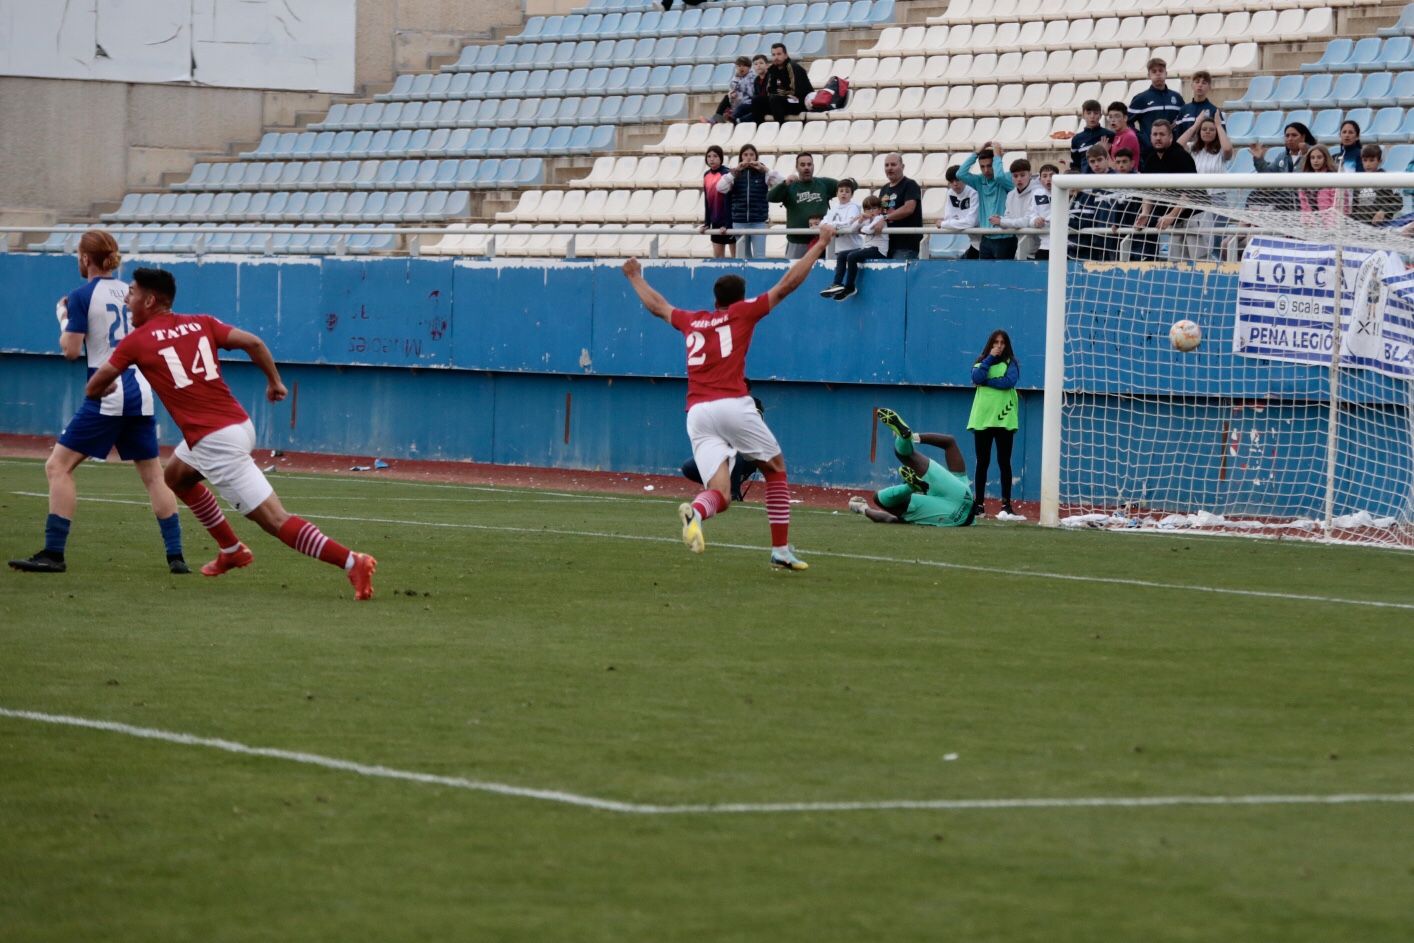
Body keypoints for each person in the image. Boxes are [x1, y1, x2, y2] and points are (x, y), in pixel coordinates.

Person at [83, 268, 378, 599]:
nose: (128, 298)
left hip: (214, 441)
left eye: (133, 293)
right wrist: (275, 382)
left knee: (275, 521)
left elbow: (94, 386)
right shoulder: (202, 322)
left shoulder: (135, 341)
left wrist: (104, 388)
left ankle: (353, 562)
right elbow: (254, 342)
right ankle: (230, 548)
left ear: (150, 300)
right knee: (176, 477)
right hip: (238, 424)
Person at [620, 228, 836, 570]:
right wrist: (821, 244)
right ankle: (780, 549)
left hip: (697, 413)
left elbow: (658, 307)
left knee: (720, 493)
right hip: (732, 404)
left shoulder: (693, 321)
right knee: (775, 468)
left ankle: (696, 511)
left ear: (714, 298)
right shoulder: (742, 313)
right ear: (740, 298)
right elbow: (787, 285)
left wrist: (634, 276)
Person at [9, 230, 188, 575]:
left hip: (108, 388)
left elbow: (71, 350)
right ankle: (176, 557)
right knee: (153, 476)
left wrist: (62, 316)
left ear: (85, 258)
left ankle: (54, 553)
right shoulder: (132, 293)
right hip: (142, 389)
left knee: (57, 467)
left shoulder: (80, 296)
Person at [847, 409, 976, 528]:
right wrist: (864, 509)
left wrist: (862, 508)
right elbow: (950, 442)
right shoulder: (955, 482)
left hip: (958, 506)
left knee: (881, 496)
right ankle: (906, 442)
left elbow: (888, 519)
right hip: (959, 508)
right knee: (881, 496)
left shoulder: (957, 482)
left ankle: (910, 485)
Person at [967, 330, 1024, 521]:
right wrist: (990, 358)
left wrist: (987, 382)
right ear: (990, 344)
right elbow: (976, 377)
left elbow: (1009, 382)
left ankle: (1006, 505)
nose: (999, 346)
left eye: (1002, 342)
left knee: (1004, 462)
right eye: (996, 342)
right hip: (983, 418)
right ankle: (979, 505)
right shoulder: (982, 361)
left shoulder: (1012, 363)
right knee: (982, 462)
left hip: (1003, 418)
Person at [681, 391, 765, 501]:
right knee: (689, 467)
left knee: (734, 456)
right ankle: (717, 487)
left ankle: (733, 494)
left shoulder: (753, 407)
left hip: (745, 456)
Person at [1132, 119, 1197, 259]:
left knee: (1201, 264)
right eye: (1154, 134)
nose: (1158, 138)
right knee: (1175, 266)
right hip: (1174, 220)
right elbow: (1148, 190)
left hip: (1195, 217)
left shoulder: (1181, 156)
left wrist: (1171, 215)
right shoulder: (1150, 158)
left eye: (1162, 134)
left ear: (1170, 137)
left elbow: (1189, 193)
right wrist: (1145, 212)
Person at [1177, 115, 1235, 260]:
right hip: (1197, 200)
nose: (1207, 132)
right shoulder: (1192, 150)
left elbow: (1228, 148)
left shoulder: (1220, 151)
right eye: (1204, 129)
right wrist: (1196, 124)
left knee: (1218, 237)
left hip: (1218, 198)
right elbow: (1177, 145)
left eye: (1211, 129)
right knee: (1202, 239)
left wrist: (1219, 125)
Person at [716, 143, 782, 260]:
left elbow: (781, 183)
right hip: (739, 222)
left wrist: (765, 169)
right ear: (741, 157)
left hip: (758, 222)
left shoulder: (763, 173)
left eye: (752, 154)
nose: (748, 157)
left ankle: (759, 278)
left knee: (759, 257)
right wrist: (733, 173)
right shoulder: (734, 174)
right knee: (743, 257)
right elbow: (720, 188)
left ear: (756, 157)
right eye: (745, 154)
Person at [768, 152, 838, 259]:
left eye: (809, 164)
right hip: (797, 242)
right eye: (803, 165)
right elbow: (770, 197)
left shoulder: (824, 184)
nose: (806, 167)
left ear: (813, 166)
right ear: (796, 167)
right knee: (795, 274)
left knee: (822, 274)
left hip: (821, 240)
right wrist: (785, 183)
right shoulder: (790, 186)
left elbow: (850, 185)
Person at [957, 142, 1016, 259]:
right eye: (982, 167)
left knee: (1001, 276)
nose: (986, 170)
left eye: (989, 165)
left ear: (996, 164)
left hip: (1005, 237)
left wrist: (997, 156)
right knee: (986, 276)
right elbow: (960, 173)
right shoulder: (979, 181)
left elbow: (999, 176)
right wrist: (977, 152)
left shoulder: (1007, 177)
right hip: (985, 238)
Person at [821, 195, 886, 300]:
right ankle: (837, 284)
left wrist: (862, 227)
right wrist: (860, 220)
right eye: (868, 209)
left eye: (874, 208)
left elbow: (868, 230)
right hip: (867, 248)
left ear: (880, 210)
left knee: (852, 256)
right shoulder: (866, 219)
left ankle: (850, 286)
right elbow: (852, 229)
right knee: (842, 255)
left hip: (878, 249)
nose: (871, 211)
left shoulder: (879, 218)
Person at [1128, 57, 1184, 161]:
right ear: (1149, 75)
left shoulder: (1177, 98)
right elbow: (1127, 122)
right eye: (1154, 71)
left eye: (1161, 71)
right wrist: (1143, 138)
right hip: (1150, 152)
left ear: (1166, 73)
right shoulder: (1141, 99)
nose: (1158, 74)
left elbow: (1182, 121)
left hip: (1174, 151)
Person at [875, 153, 923, 260]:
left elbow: (908, 209)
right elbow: (878, 212)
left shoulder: (910, 184)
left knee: (899, 276)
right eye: (886, 165)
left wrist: (885, 218)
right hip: (885, 244)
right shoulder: (884, 189)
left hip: (906, 245)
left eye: (893, 164)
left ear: (902, 166)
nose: (889, 168)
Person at [995, 158, 1040, 260]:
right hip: (1020, 248)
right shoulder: (1011, 195)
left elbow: (1027, 220)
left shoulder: (1038, 192)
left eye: (1022, 175)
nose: (1019, 179)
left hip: (1040, 249)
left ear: (1030, 174)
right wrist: (1001, 219)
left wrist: (1002, 222)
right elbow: (1009, 217)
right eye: (1015, 176)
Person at [759, 42, 813, 125]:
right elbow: (769, 90)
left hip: (800, 102)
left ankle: (781, 129)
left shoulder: (792, 66)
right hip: (784, 101)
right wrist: (782, 94)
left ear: (786, 55)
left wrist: (779, 93)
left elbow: (795, 91)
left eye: (779, 54)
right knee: (757, 101)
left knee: (775, 99)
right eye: (773, 55)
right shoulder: (773, 69)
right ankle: (760, 129)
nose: (776, 57)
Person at [1351, 144, 1403, 225]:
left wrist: (1383, 211)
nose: (1368, 164)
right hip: (1360, 227)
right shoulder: (1359, 181)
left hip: (1381, 226)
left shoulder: (1386, 179)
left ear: (1379, 161)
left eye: (1372, 160)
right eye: (1365, 160)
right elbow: (1355, 208)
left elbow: (1398, 202)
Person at [937, 165, 981, 258]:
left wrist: (944, 224)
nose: (955, 184)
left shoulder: (974, 192)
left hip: (987, 241)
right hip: (975, 242)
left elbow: (971, 222)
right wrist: (952, 222)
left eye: (957, 180)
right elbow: (949, 217)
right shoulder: (950, 193)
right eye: (951, 181)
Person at [700, 145, 735, 258]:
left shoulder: (726, 173)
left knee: (736, 258)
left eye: (715, 156)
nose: (711, 159)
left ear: (721, 158)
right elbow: (707, 201)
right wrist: (707, 223)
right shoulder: (706, 175)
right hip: (715, 223)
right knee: (718, 260)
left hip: (729, 223)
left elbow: (729, 200)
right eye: (709, 156)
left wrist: (727, 224)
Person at [704, 57, 755, 125]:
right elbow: (731, 89)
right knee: (726, 97)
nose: (741, 68)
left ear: (749, 67)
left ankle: (731, 117)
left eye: (744, 66)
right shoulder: (736, 77)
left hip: (748, 103)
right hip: (738, 101)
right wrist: (731, 94)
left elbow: (751, 93)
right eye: (739, 66)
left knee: (741, 106)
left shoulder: (752, 77)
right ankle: (716, 119)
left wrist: (741, 85)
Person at [819, 177, 863, 255]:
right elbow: (823, 222)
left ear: (852, 195)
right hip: (836, 249)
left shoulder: (853, 207)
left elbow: (849, 223)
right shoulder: (834, 208)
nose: (844, 193)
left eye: (847, 191)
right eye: (841, 191)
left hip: (853, 249)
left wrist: (832, 225)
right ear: (837, 193)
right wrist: (829, 225)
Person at [1298, 144, 1343, 219]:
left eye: (1319, 157)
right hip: (1311, 224)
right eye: (1312, 158)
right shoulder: (1304, 180)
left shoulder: (1333, 178)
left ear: (1325, 158)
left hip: (1331, 223)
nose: (1315, 161)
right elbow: (1304, 206)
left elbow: (1337, 203)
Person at [1172, 70, 1219, 143]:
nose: (1200, 85)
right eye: (1197, 82)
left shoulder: (1214, 110)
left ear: (1209, 87)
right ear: (1192, 85)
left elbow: (1220, 136)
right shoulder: (1184, 110)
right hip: (1186, 152)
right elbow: (1178, 136)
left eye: (1204, 83)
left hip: (1206, 152)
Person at [1070, 99, 1114, 174]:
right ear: (1083, 115)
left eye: (1096, 113)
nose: (1092, 116)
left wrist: (1104, 151)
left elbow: (1115, 161)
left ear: (1100, 115)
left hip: (1106, 180)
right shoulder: (1076, 139)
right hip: (1086, 181)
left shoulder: (1109, 135)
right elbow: (1076, 164)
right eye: (1088, 113)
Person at [1106, 102, 1141, 167]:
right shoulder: (1118, 135)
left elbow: (1118, 167)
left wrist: (1104, 151)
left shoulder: (1129, 137)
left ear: (1125, 118)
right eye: (1110, 117)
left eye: (1117, 116)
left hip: (1128, 176)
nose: (1113, 120)